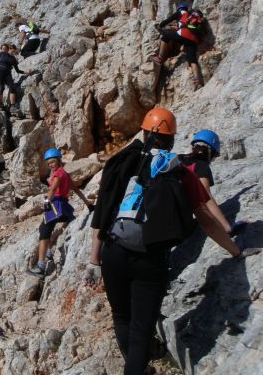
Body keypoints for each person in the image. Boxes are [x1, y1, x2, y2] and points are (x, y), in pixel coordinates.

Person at [85, 108, 260, 375]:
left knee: (121, 316)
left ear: (144, 133)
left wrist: (94, 259)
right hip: (151, 260)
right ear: (172, 139)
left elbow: (104, 210)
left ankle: (135, 364)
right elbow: (205, 218)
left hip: (113, 252)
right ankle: (137, 366)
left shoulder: (122, 161)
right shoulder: (181, 171)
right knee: (142, 330)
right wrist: (235, 250)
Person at [28, 148, 95, 277]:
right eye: (48, 163)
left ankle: (41, 266)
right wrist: (88, 204)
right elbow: (76, 190)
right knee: (44, 228)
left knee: (44, 232)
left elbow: (53, 189)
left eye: (52, 162)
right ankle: (48, 253)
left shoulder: (58, 174)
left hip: (54, 205)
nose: (50, 165)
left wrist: (46, 202)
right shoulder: (65, 174)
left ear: (59, 161)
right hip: (63, 206)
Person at [181, 129, 247, 235]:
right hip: (176, 222)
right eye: (215, 156)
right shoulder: (201, 166)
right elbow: (205, 196)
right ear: (210, 152)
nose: (213, 160)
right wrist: (227, 228)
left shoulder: (179, 158)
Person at [151, 3, 205, 87]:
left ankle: (160, 57)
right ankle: (197, 79)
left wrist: (160, 26)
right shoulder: (191, 16)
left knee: (165, 37)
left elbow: (167, 21)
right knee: (192, 60)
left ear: (179, 9)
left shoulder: (180, 13)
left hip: (184, 35)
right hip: (193, 40)